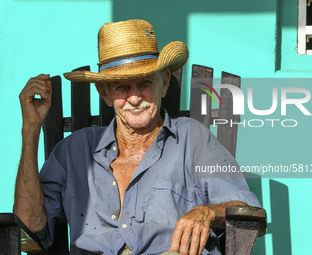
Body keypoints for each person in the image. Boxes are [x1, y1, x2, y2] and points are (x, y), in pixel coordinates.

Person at [14, 19, 260, 255]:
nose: (134, 98)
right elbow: (31, 227)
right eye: (122, 86)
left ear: (163, 83)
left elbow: (248, 214)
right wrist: (31, 129)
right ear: (105, 93)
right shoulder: (74, 150)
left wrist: (208, 212)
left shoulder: (191, 139)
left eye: (144, 83)